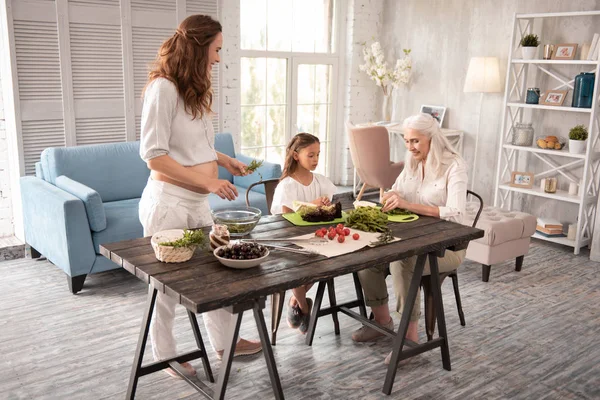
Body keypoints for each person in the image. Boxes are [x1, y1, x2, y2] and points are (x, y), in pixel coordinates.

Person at [138, 14, 261, 378]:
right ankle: (167, 357)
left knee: (216, 274)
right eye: (216, 50)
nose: (218, 59)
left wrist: (225, 161)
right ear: (198, 47)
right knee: (167, 289)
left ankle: (224, 343)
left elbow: (195, 147)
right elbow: (154, 157)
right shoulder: (163, 89)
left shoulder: (190, 89)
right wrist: (209, 183)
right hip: (168, 204)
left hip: (195, 204)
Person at [352, 113, 468, 364]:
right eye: (406, 141)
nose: (410, 147)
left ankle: (410, 340)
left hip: (447, 248)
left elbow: (456, 213)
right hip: (413, 238)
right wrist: (392, 195)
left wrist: (408, 205)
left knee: (403, 262)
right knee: (368, 256)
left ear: (432, 139)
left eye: (415, 141)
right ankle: (382, 320)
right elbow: (400, 189)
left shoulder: (454, 165)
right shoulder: (413, 162)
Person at [270, 133, 337, 333]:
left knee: (326, 260)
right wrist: (312, 205)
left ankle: (295, 301)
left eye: (318, 155)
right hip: (292, 240)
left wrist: (325, 206)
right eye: (311, 155)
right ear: (296, 155)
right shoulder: (287, 186)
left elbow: (329, 213)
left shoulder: (322, 182)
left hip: (317, 238)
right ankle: (305, 308)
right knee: (295, 267)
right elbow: (287, 219)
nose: (316, 160)